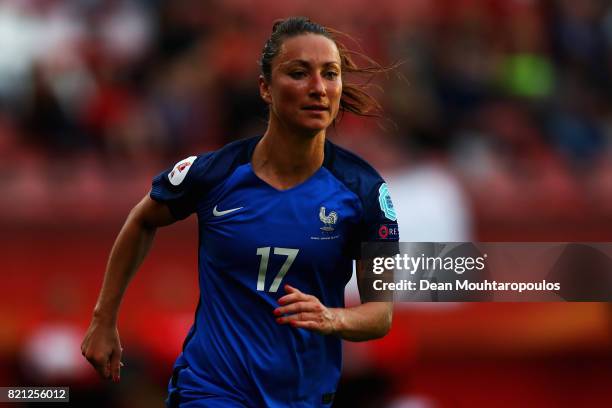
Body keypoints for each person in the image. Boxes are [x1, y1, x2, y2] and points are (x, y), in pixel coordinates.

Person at [81, 16, 400, 407]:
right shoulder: (216, 172)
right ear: (265, 88)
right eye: (299, 73)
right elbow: (143, 218)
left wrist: (332, 318)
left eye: (329, 74)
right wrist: (103, 319)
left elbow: (380, 314)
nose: (318, 88)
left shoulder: (364, 191)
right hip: (212, 389)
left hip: (303, 395)